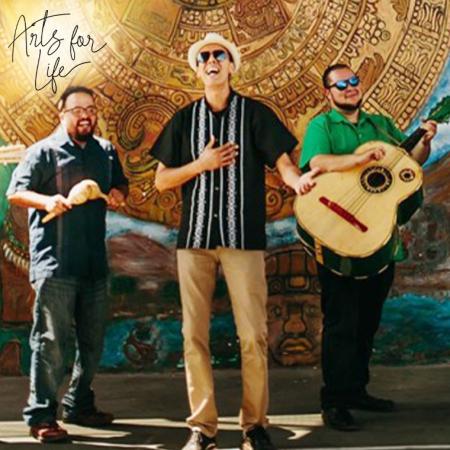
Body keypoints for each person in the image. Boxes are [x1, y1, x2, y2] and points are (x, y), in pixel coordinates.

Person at [151, 33, 318, 450]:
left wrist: (298, 182)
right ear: (197, 68)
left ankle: (254, 426)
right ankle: (202, 429)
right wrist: (201, 164)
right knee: (194, 336)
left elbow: (283, 164)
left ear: (231, 64)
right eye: (203, 55)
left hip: (243, 240)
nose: (211, 60)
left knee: (253, 336)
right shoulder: (184, 119)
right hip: (194, 243)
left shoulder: (255, 114)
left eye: (219, 54)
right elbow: (161, 180)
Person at [299, 63, 437, 431]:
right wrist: (357, 160)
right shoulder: (323, 126)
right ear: (328, 93)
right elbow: (317, 162)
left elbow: (407, 167)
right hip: (338, 235)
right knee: (341, 321)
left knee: (367, 321)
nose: (348, 87)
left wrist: (424, 141)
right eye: (339, 84)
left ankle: (357, 390)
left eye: (353, 81)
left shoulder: (381, 125)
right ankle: (334, 400)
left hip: (378, 239)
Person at [7, 86, 128, 443]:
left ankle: (79, 402)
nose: (85, 115)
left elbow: (120, 187)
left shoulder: (105, 152)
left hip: (93, 264)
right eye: (77, 110)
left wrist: (119, 195)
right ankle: (42, 415)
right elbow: (16, 191)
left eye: (90, 109)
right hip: (54, 263)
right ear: (62, 114)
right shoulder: (42, 152)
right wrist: (47, 202)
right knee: (51, 343)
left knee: (92, 344)